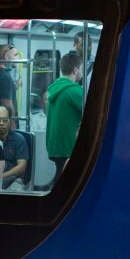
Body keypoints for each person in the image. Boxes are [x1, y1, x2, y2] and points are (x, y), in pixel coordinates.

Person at [46, 52, 84, 184]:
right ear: (75, 70)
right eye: (81, 69)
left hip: (54, 146)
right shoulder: (75, 91)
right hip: (69, 146)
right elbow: (94, 112)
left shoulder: (53, 89)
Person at [0, 105, 29, 190]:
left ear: (9, 121)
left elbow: (22, 166)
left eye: (5, 120)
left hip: (13, 179)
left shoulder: (19, 139)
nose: (1, 123)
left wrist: (2, 176)